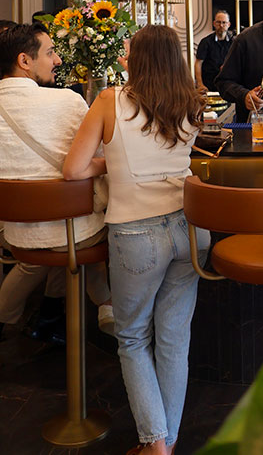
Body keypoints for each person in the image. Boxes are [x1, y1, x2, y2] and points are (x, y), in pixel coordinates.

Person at [63, 24, 209, 455]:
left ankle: (155, 444)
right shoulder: (193, 102)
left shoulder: (110, 99)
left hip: (136, 233)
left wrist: (110, 164)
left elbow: (73, 169)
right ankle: (170, 438)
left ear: (137, 57)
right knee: (174, 338)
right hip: (190, 230)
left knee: (131, 338)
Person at [0, 23, 112, 338]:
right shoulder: (67, 101)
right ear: (24, 61)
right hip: (75, 232)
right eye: (50, 53)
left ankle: (50, 317)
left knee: (57, 234)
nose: (58, 61)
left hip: (14, 233)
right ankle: (106, 303)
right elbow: (99, 154)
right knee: (106, 220)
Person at [194, 9, 233, 92]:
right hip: (208, 85)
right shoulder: (205, 42)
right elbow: (198, 63)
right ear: (214, 24)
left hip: (227, 84)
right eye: (218, 22)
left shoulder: (234, 42)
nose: (221, 25)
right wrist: (200, 84)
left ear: (229, 24)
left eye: (224, 22)